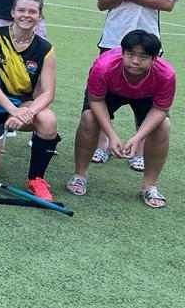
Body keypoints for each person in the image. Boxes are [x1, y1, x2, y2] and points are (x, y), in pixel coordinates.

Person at [90, 0, 178, 169]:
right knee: (105, 96)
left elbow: (167, 4)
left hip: (149, 42)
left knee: (145, 99)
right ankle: (103, 144)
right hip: (113, 39)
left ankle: (138, 150)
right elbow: (102, 3)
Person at [66, 30, 174, 208]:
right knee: (89, 118)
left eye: (144, 57)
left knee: (163, 125)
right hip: (110, 91)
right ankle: (79, 175)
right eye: (130, 54)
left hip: (146, 95)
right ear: (122, 52)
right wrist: (112, 136)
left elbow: (160, 110)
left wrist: (137, 137)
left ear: (155, 59)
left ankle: (149, 186)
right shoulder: (103, 66)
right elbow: (96, 100)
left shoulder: (166, 74)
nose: (135, 61)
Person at [0, 0, 60, 200]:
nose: (26, 15)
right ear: (13, 12)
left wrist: (25, 112)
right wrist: (12, 110)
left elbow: (48, 93)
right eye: (21, 10)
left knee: (48, 120)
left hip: (21, 106)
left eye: (33, 11)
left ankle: (36, 179)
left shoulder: (46, 49)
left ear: (40, 16)